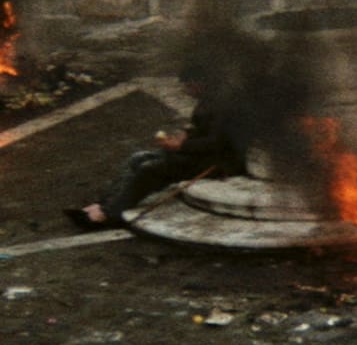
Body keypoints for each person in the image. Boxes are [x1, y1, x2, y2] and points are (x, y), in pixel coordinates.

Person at [67, 68, 246, 229]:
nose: (186, 90)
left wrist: (181, 145)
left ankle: (110, 215)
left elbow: (216, 143)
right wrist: (185, 134)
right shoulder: (207, 100)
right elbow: (198, 126)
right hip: (196, 154)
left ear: (201, 84)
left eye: (189, 86)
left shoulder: (224, 106)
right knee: (138, 158)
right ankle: (103, 204)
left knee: (150, 169)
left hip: (216, 162)